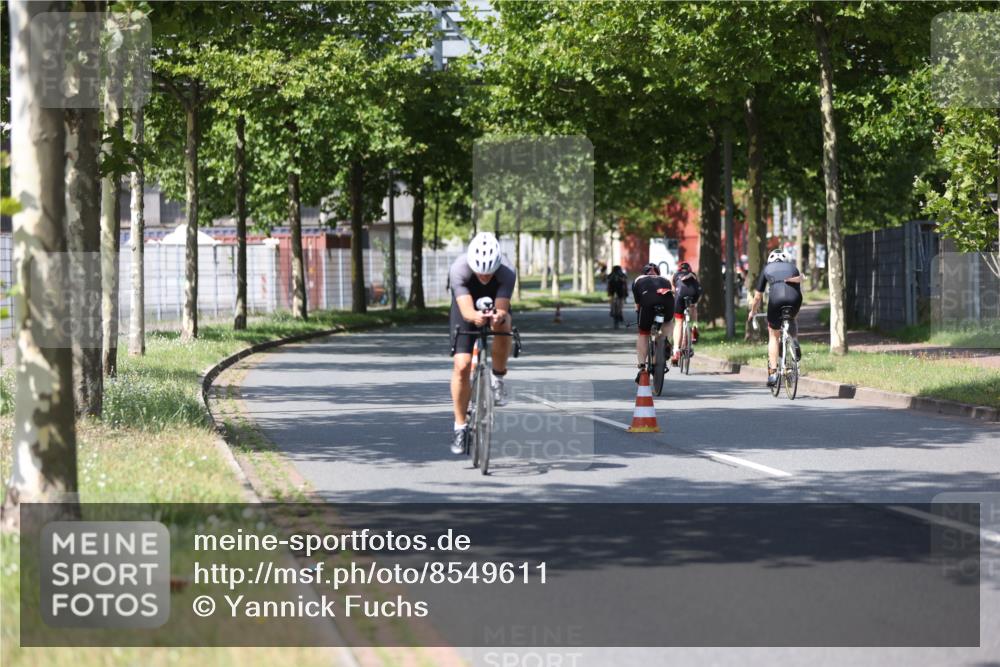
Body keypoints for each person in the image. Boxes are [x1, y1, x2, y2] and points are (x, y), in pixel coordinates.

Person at [448, 232, 517, 454]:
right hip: (466, 304)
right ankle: (460, 427)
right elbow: (466, 309)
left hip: (495, 300)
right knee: (462, 366)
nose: (484, 276)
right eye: (480, 272)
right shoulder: (459, 269)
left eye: (489, 273)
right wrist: (474, 316)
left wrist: (497, 315)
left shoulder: (507, 271)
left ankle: (497, 378)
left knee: (503, 325)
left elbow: (502, 306)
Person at [748, 249, 803, 387]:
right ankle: (794, 340)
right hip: (795, 300)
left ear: (770, 260)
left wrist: (753, 311)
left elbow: (758, 296)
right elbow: (797, 289)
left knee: (773, 335)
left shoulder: (767, 268)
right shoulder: (793, 268)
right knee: (792, 318)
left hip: (776, 300)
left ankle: (773, 373)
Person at [631, 262, 674, 382]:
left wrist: (640, 317)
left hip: (647, 300)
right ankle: (664, 341)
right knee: (668, 321)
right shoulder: (665, 279)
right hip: (667, 301)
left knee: (643, 333)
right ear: (658, 273)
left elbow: (638, 306)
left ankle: (642, 368)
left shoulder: (638, 280)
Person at [670, 261, 702, 365]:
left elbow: (673, 290)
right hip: (694, 293)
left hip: (680, 295)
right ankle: (694, 326)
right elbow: (698, 287)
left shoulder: (675, 275)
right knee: (693, 306)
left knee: (678, 322)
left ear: (679, 269)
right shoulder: (694, 275)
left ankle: (676, 351)